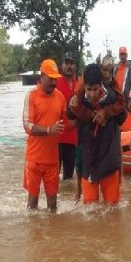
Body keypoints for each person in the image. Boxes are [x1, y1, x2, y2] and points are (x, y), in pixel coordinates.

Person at [68, 64, 126, 205]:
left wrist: (106, 112)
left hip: (108, 159)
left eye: (95, 89)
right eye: (89, 89)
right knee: (89, 209)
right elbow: (69, 114)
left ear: (101, 85)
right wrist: (72, 105)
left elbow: (122, 118)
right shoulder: (78, 99)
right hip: (88, 161)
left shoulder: (113, 98)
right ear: (84, 87)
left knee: (112, 207)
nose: (92, 94)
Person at [22, 59, 68, 212]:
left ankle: (52, 235)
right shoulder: (31, 95)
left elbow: (66, 122)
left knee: (53, 206)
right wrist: (49, 130)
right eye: (50, 78)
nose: (54, 82)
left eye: (55, 79)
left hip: (52, 160)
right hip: (34, 160)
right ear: (42, 76)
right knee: (32, 204)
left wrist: (78, 110)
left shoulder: (60, 97)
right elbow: (27, 126)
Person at [55, 52, 78, 180]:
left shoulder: (79, 84)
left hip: (73, 139)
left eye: (71, 63)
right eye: (66, 63)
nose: (69, 66)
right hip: (57, 138)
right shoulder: (55, 82)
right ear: (61, 65)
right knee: (53, 175)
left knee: (69, 179)